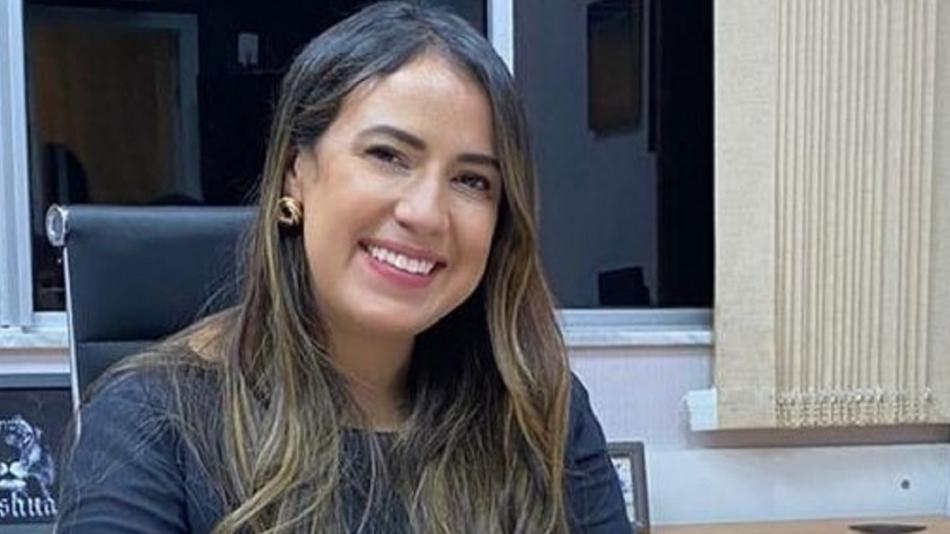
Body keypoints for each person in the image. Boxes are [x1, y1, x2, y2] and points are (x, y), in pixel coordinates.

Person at [55, 3, 629, 533]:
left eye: (472, 180)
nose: (426, 213)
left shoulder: (535, 410)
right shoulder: (150, 423)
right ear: (295, 172)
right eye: (388, 155)